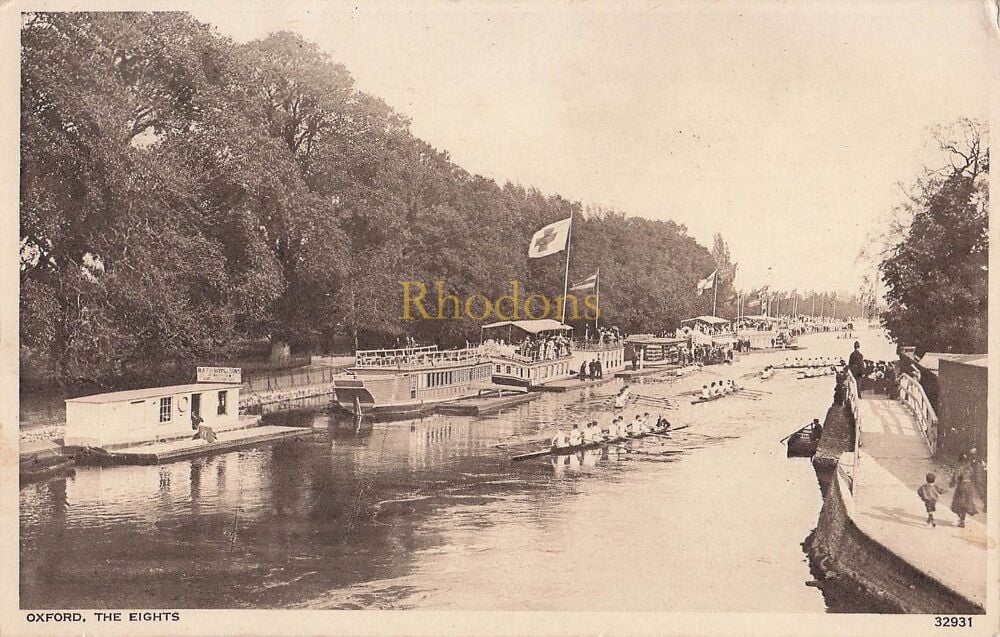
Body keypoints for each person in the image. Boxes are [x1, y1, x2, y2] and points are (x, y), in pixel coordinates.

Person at [950, 453, 979, 527]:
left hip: (962, 487)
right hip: (970, 487)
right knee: (966, 503)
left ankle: (961, 520)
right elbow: (975, 478)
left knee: (958, 504)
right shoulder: (970, 468)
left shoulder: (960, 468)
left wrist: (952, 484)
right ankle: (962, 520)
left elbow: (955, 479)